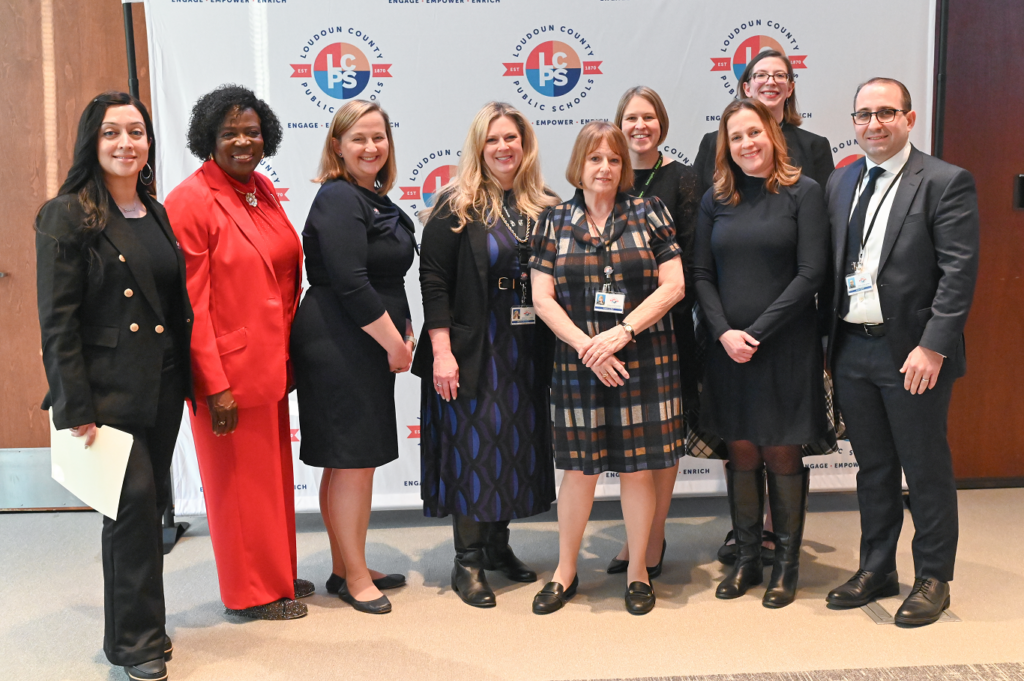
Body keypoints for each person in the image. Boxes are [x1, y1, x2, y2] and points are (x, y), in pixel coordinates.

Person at [36, 92, 193, 681]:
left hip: (163, 384)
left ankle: (141, 623)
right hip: (106, 393)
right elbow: (58, 321)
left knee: (150, 510)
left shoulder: (154, 211)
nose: (126, 143)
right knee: (128, 513)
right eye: (111, 133)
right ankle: (134, 643)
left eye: (137, 132)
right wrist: (74, 403)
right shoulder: (68, 213)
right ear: (92, 143)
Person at [822, 78, 979, 626]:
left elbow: (958, 275)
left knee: (925, 466)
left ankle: (934, 577)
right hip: (852, 350)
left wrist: (932, 348)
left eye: (886, 112)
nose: (874, 123)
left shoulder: (943, 181)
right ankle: (877, 567)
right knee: (873, 467)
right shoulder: (841, 183)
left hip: (913, 355)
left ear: (910, 119)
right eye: (863, 114)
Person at [164, 85, 310, 620]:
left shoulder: (260, 188)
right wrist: (213, 384)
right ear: (209, 138)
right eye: (230, 133)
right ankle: (251, 594)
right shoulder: (191, 201)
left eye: (252, 131)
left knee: (266, 480)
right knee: (237, 489)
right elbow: (191, 306)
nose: (243, 141)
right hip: (225, 373)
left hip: (268, 364)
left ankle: (276, 574)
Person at [529, 121, 686, 616]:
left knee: (639, 471)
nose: (605, 168)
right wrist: (586, 346)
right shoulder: (553, 221)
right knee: (578, 472)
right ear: (579, 164)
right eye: (595, 159)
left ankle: (638, 569)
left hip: (644, 356)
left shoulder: (649, 211)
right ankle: (565, 570)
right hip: (579, 365)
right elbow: (541, 297)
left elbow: (674, 284)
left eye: (614, 160)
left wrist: (622, 333)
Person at [413, 102, 559, 608]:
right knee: (472, 450)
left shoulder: (544, 204)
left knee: (512, 449)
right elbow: (432, 280)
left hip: (524, 352)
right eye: (493, 139)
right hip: (473, 351)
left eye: (511, 139)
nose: (503, 148)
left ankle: (498, 547)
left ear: (525, 144)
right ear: (479, 146)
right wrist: (441, 352)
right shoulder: (457, 204)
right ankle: (467, 562)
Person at [693, 50, 836, 566]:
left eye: (754, 133)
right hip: (728, 350)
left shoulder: (805, 192)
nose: (746, 143)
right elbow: (702, 275)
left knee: (781, 451)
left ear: (771, 134)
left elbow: (810, 274)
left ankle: (786, 566)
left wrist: (756, 331)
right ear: (724, 146)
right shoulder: (716, 198)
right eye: (736, 138)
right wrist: (724, 333)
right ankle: (749, 559)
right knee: (741, 451)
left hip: (784, 346)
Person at [291, 100, 415, 615]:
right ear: (338, 145)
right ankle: (357, 576)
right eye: (359, 138)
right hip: (341, 341)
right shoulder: (339, 198)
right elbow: (350, 282)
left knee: (348, 461)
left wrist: (395, 333)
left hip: (364, 339)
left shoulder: (375, 198)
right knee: (353, 461)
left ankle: (346, 566)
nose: (371, 147)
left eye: (378, 137)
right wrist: (394, 342)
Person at [605, 86, 701, 578]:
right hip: (611, 331)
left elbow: (690, 258)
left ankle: (653, 536)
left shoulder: (683, 179)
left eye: (649, 118)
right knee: (627, 440)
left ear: (662, 123)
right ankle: (636, 534)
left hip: (666, 327)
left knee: (662, 438)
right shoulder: (607, 175)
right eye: (631, 118)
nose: (639, 126)